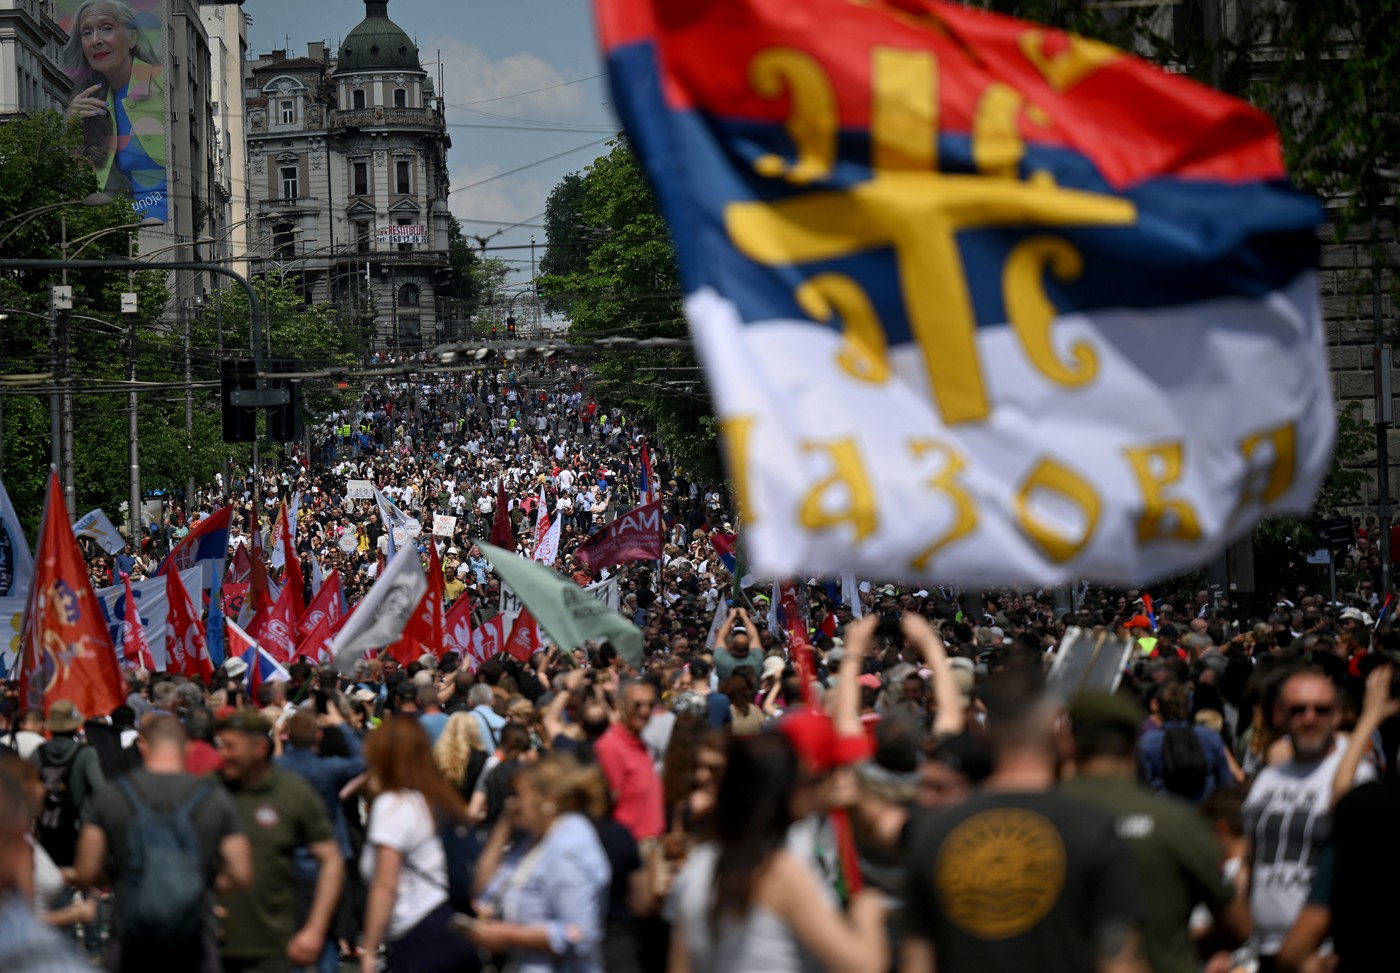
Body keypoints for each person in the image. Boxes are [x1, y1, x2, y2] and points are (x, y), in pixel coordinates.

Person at [901, 679, 1148, 973]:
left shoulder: (932, 833)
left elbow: (916, 963)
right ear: (1062, 737)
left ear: (986, 736)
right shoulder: (1094, 829)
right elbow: (1119, 961)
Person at [670, 732, 888, 973]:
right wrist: (867, 911)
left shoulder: (699, 864)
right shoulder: (778, 872)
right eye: (804, 780)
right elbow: (863, 966)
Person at [1062, 692, 1248, 973]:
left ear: (1067, 743)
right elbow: (1237, 925)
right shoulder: (1177, 823)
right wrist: (1179, 950)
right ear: (1134, 744)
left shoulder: (1036, 816)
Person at [74, 715, 251, 973]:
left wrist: (117, 874)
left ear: (142, 745)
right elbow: (241, 873)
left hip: (131, 938)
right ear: (188, 747)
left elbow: (86, 872)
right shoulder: (215, 798)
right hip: (195, 937)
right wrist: (202, 884)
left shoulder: (110, 796)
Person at [1242, 668, 1371, 970]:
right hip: (1261, 948)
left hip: (1321, 953)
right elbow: (1249, 860)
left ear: (1337, 715)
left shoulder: (1354, 776)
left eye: (1321, 710)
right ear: (1279, 714)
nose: (1310, 718)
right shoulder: (1268, 779)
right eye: (1298, 710)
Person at [215, 709, 343, 973]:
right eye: (221, 746)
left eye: (231, 747)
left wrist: (315, 929)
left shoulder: (292, 793)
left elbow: (331, 861)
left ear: (260, 749)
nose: (223, 754)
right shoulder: (208, 790)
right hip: (211, 945)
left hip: (273, 949)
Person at [467, 754, 612, 973]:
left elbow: (579, 932)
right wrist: (505, 823)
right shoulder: (532, 842)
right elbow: (482, 889)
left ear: (550, 799)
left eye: (519, 795)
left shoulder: (570, 842)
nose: (512, 803)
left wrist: (508, 936)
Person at [359, 716, 480, 973]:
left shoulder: (393, 805)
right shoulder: (436, 800)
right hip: (452, 928)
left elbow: (386, 885)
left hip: (417, 934)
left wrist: (369, 951)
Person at [61, 0, 167, 222]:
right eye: (87, 33)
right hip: (117, 232)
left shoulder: (160, 84)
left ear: (132, 37)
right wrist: (69, 127)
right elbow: (70, 184)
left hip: (167, 228)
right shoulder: (91, 102)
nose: (96, 41)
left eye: (107, 28)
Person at [0, 761, 92, 973]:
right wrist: (75, 914)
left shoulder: (29, 837)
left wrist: (66, 876)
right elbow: (26, 915)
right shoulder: (21, 841)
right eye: (40, 780)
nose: (47, 787)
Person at [594, 678, 665, 842]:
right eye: (637, 705)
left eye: (650, 705)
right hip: (632, 847)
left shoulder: (641, 743)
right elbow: (605, 806)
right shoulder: (610, 747)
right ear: (621, 705)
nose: (645, 711)